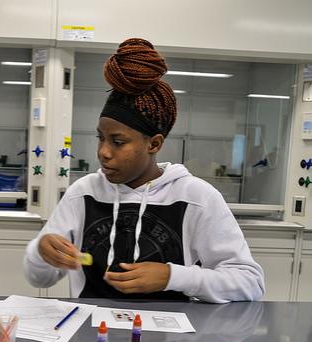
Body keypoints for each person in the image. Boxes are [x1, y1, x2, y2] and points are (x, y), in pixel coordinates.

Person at [24, 38, 264, 303]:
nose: (103, 151)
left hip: (170, 338)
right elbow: (39, 278)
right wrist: (41, 253)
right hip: (89, 334)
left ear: (154, 143)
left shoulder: (196, 196)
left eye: (117, 142)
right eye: (100, 138)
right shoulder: (84, 193)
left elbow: (249, 283)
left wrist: (173, 277)